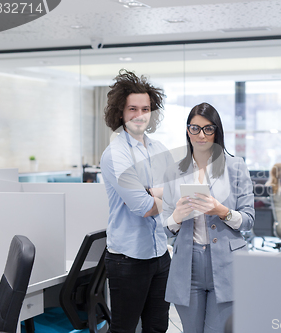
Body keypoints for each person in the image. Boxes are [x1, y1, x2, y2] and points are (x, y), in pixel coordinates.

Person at [162, 102, 254, 333]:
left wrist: (222, 211)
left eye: (208, 129)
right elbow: (163, 228)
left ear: (216, 131)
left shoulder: (236, 167)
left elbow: (249, 219)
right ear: (187, 130)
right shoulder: (174, 171)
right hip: (188, 265)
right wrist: (176, 216)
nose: (201, 135)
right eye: (195, 128)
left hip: (227, 263)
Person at [100, 70, 173, 333]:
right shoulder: (115, 155)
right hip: (128, 259)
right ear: (120, 112)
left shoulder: (159, 149)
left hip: (160, 254)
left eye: (145, 108)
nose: (140, 115)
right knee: (124, 329)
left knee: (157, 327)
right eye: (133, 109)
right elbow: (144, 208)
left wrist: (155, 192)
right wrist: (164, 195)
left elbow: (180, 193)